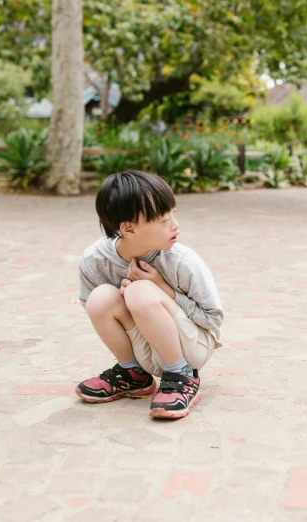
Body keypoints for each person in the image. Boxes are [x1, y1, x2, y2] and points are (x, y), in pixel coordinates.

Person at [74, 170, 223, 419]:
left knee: (140, 291)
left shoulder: (181, 261)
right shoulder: (95, 260)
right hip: (144, 345)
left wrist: (163, 289)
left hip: (191, 348)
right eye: (164, 220)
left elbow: (213, 320)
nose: (175, 226)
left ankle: (181, 376)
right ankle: (133, 375)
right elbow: (96, 310)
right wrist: (128, 304)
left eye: (173, 215)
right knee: (100, 297)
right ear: (129, 229)